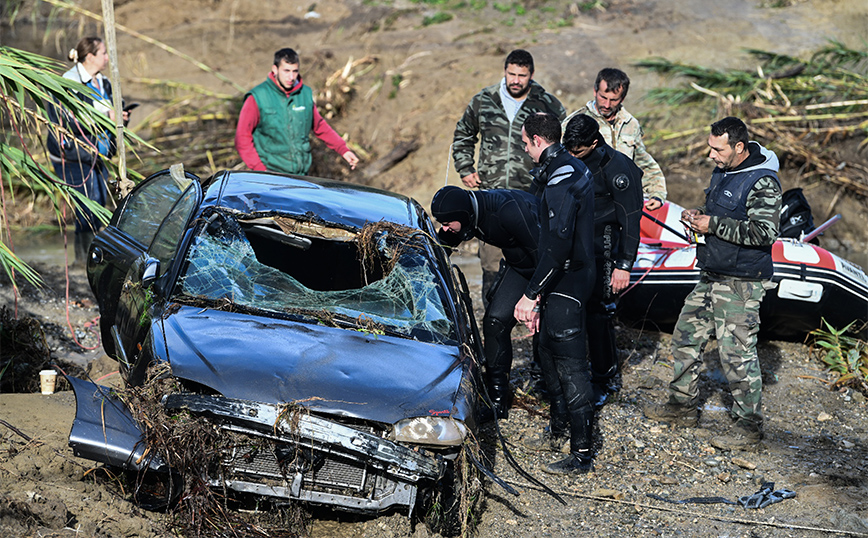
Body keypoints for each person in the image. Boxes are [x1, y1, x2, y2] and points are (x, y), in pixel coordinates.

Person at [643, 117, 781, 451]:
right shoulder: (723, 169)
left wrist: (713, 224)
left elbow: (765, 233)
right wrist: (699, 215)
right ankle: (681, 408)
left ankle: (749, 430)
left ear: (739, 147)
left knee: (736, 355)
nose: (710, 155)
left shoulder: (763, 182)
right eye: (710, 146)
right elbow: (718, 211)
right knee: (685, 338)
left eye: (716, 149)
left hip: (742, 282)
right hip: (711, 273)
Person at [514, 113, 596, 475]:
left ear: (536, 141)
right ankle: (558, 429)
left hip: (570, 279)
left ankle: (581, 454)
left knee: (570, 363)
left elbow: (558, 244)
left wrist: (531, 294)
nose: (524, 149)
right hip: (563, 277)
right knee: (546, 350)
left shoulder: (562, 176)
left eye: (524, 143)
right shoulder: (566, 166)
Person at [452, 49, 566, 301]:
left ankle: (531, 314)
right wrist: (465, 168)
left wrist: (549, 179)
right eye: (511, 74)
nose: (515, 80)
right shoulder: (484, 100)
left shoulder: (546, 103)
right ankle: (492, 315)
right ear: (504, 71)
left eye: (521, 75)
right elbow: (463, 134)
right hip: (491, 196)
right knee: (491, 262)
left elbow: (562, 144)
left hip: (529, 197)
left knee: (532, 256)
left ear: (531, 75)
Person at [431, 186, 541, 421]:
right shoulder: (463, 216)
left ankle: (553, 392)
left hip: (548, 265)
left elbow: (543, 254)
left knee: (549, 331)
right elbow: (440, 249)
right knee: (494, 322)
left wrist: (535, 298)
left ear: (463, 215)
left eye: (448, 222)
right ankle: (498, 400)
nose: (445, 228)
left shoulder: (506, 211)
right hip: (519, 265)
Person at [561, 114, 644, 405]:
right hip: (573, 241)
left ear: (594, 143)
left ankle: (605, 379)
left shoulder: (618, 168)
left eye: (578, 152)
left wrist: (624, 265)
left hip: (605, 242)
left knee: (598, 312)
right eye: (568, 150)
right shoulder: (566, 155)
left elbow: (632, 220)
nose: (572, 156)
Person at [47, 36, 127, 264]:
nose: (107, 58)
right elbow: (67, 120)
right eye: (103, 53)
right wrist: (106, 116)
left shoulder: (104, 83)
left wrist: (121, 118)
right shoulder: (69, 83)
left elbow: (111, 111)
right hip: (74, 155)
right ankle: (82, 260)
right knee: (87, 203)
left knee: (100, 201)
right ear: (90, 56)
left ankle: (91, 257)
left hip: (99, 153)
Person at [235, 48, 359, 175]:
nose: (291, 77)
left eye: (295, 71)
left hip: (301, 176)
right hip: (270, 175)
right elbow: (242, 138)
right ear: (275, 70)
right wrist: (259, 169)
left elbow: (320, 127)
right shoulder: (257, 97)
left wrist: (343, 150)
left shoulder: (305, 94)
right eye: (286, 71)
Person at [563, 68, 667, 210]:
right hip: (587, 204)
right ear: (595, 91)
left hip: (622, 204)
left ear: (622, 98)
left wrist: (657, 193)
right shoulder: (576, 122)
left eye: (613, 100)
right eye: (603, 97)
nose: (606, 105)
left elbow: (642, 162)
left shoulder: (630, 124)